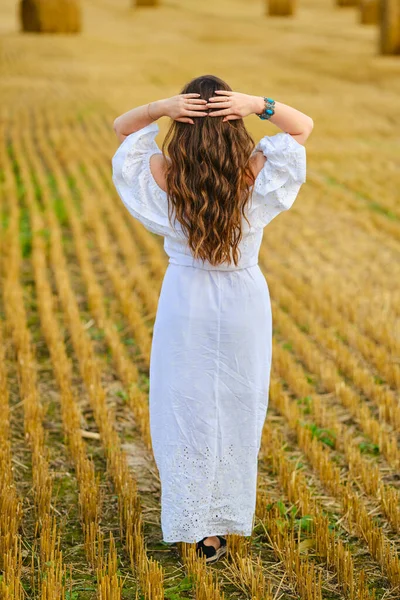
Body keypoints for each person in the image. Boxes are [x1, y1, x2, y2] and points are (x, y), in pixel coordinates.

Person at [111, 74, 313, 564]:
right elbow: (301, 128)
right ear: (233, 124)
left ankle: (196, 522)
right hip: (244, 300)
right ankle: (222, 516)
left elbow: (122, 130)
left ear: (182, 125)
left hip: (187, 299)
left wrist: (160, 106)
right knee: (239, 406)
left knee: (185, 407)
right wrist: (257, 103)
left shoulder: (162, 171)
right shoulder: (255, 170)